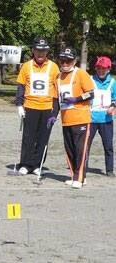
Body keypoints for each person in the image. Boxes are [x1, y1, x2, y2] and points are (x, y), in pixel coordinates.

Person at [15, 37, 60, 175]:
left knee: (42, 139)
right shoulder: (26, 66)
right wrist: (19, 105)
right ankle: (26, 164)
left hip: (47, 108)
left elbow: (58, 90)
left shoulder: (54, 66)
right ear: (33, 50)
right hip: (30, 106)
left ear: (47, 51)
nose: (41, 53)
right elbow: (21, 86)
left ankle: (37, 165)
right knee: (28, 138)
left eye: (44, 50)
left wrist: (55, 111)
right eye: (38, 50)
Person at [56, 47, 94, 189]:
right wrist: (53, 115)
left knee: (80, 149)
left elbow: (91, 94)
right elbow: (56, 99)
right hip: (66, 119)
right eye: (62, 60)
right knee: (70, 149)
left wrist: (76, 99)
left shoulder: (81, 74)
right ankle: (75, 175)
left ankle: (79, 177)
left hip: (81, 117)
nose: (65, 63)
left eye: (68, 60)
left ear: (74, 61)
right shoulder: (58, 77)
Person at [88, 56, 116, 177]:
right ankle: (82, 167)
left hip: (106, 120)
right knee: (86, 145)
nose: (101, 70)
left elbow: (115, 98)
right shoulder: (90, 80)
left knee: (108, 145)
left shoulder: (113, 83)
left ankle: (109, 170)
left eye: (104, 68)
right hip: (90, 118)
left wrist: (113, 106)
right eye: (99, 68)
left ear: (109, 69)